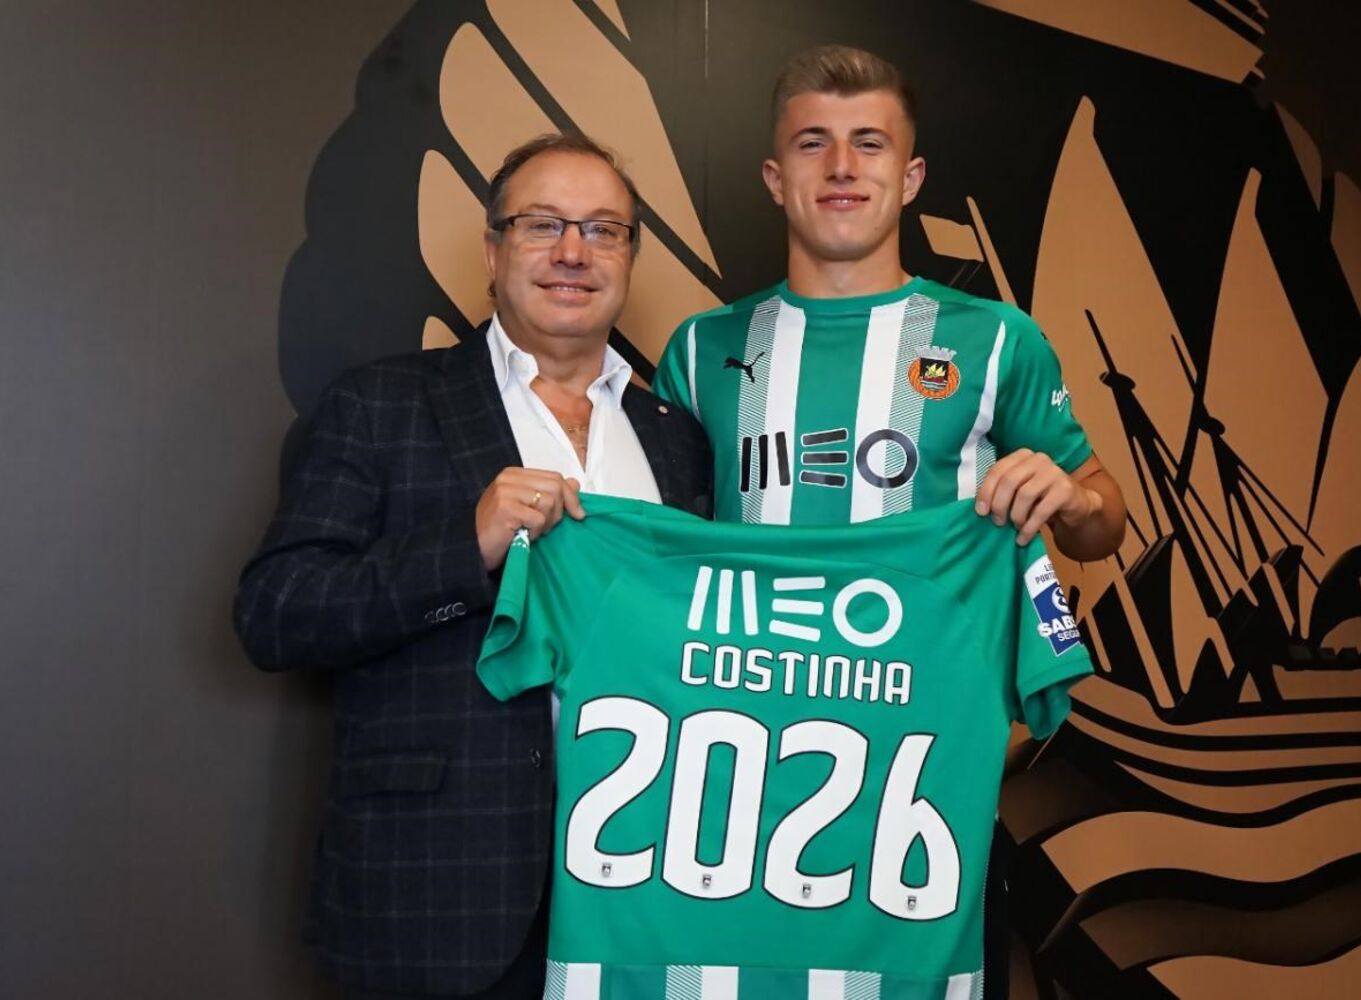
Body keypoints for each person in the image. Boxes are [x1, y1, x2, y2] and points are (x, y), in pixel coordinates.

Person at [650, 43, 1126, 994]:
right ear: (774, 178)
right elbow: (659, 556)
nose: (841, 166)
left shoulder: (997, 341)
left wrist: (1073, 500)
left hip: (929, 771)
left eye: (869, 144)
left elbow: (1102, 521)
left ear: (909, 178)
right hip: (745, 775)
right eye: (813, 143)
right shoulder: (701, 350)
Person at [234, 132, 711, 999]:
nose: (574, 252)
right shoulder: (380, 403)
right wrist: (467, 544)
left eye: (603, 230)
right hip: (442, 894)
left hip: (646, 890)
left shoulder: (677, 440)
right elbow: (277, 613)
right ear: (493, 251)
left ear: (631, 256)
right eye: (543, 225)